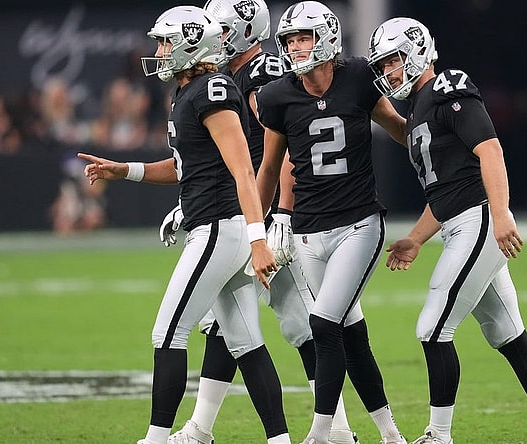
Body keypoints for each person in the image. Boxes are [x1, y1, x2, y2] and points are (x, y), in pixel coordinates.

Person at [77, 6, 289, 444]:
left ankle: (157, 439)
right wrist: (124, 170)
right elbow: (184, 167)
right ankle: (280, 440)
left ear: (194, 45)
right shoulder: (188, 93)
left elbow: (244, 171)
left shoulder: (212, 90)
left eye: (166, 42)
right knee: (246, 344)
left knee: (168, 332)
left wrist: (258, 238)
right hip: (217, 227)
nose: (159, 51)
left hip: (219, 229)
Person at [367, 17, 527, 444]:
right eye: (384, 65)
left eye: (393, 61)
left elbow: (490, 149)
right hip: (461, 223)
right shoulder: (419, 107)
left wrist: (501, 214)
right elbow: (446, 191)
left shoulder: (449, 89)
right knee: (508, 334)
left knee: (432, 327)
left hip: (478, 222)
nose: (389, 72)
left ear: (418, 52)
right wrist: (417, 238)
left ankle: (438, 436)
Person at [165, 0, 359, 443]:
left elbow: (287, 141)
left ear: (246, 30)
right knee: (225, 324)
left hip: (269, 217)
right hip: (247, 214)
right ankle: (201, 428)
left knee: (299, 321)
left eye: (222, 27)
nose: (214, 34)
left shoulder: (260, 72)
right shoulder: (223, 79)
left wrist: (283, 214)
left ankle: (340, 431)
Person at [254, 2, 409, 443]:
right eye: (290, 40)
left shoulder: (358, 77)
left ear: (326, 38)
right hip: (307, 231)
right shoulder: (277, 96)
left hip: (358, 223)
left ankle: (321, 435)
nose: (296, 47)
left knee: (322, 325)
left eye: (304, 37)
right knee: (352, 336)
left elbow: (397, 126)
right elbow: (269, 167)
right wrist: (260, 229)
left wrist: (432, 139)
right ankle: (392, 436)